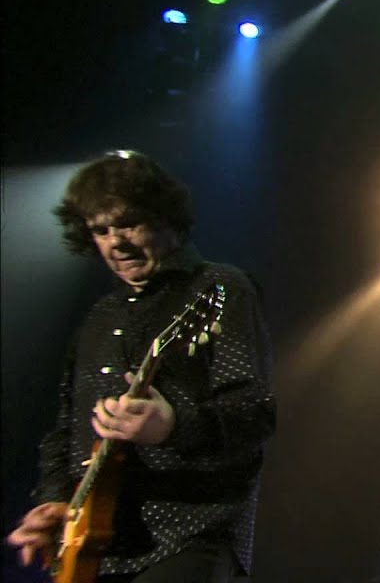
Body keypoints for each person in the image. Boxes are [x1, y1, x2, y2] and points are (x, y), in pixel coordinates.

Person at [6, 151, 276, 582]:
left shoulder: (219, 288)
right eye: (101, 230)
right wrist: (56, 501)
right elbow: (65, 432)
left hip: (187, 537)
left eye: (129, 223)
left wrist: (173, 426)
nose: (116, 242)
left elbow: (253, 414)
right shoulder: (99, 318)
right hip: (95, 552)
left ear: (166, 218)